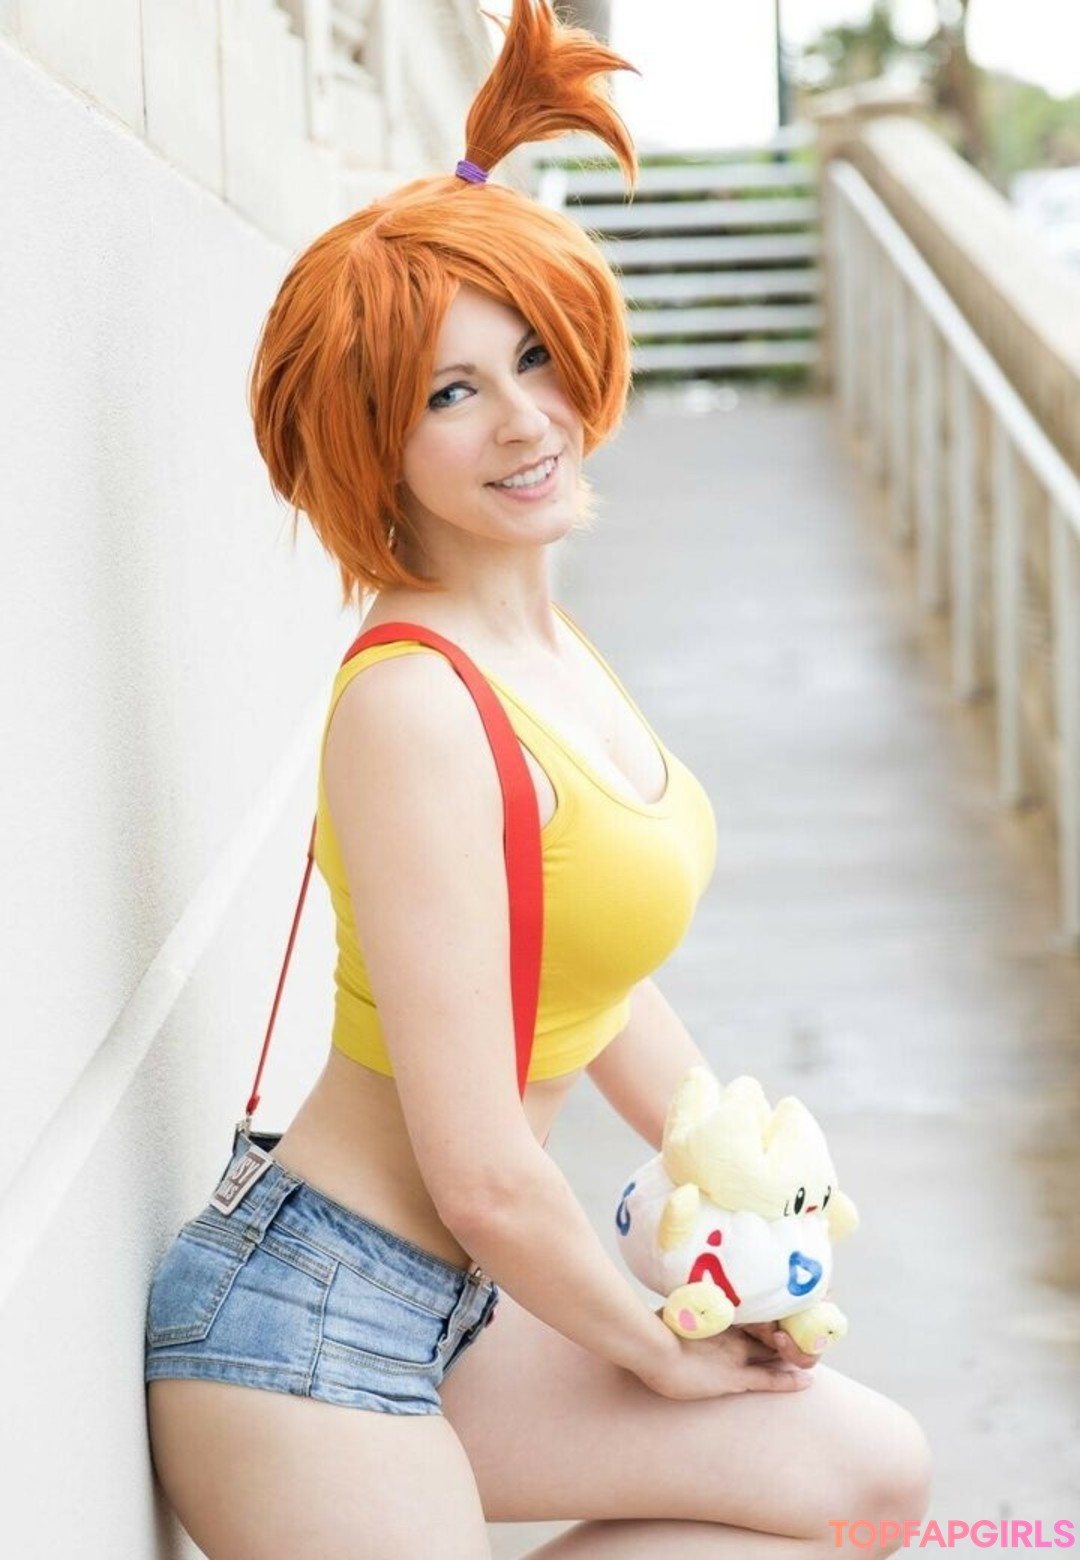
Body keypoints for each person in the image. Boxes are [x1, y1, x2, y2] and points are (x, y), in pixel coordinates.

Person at [144, 3, 931, 1555]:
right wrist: (657, 1351)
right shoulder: (413, 705)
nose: (525, 418)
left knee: (861, 1476)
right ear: (372, 445)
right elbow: (486, 1175)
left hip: (455, 1306)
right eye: (449, 395)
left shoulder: (545, 645)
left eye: (533, 356)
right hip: (308, 1326)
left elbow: (592, 971)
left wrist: (739, 1188)